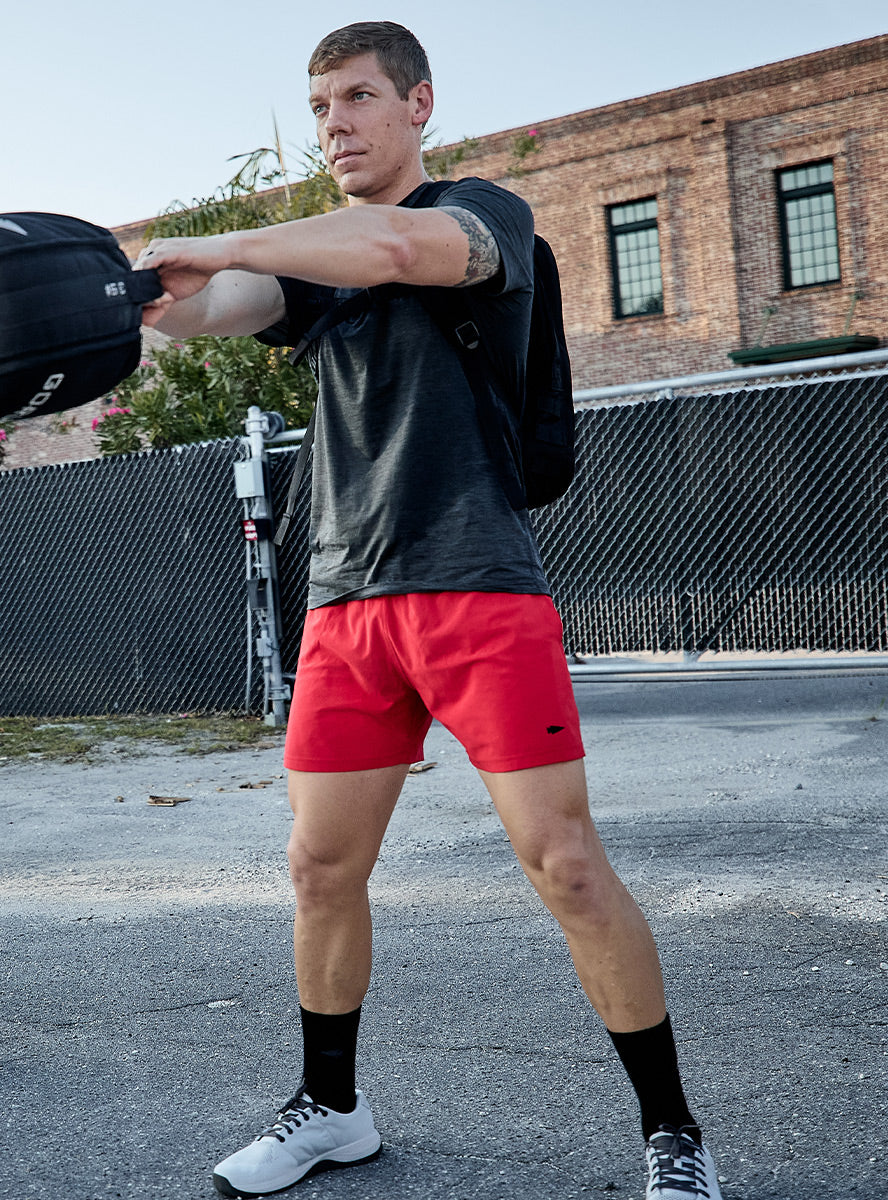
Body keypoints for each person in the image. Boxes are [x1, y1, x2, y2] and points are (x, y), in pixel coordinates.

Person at [135, 20, 723, 1200]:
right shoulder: (310, 274)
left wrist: (222, 232)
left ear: (418, 106)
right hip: (347, 602)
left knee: (563, 862)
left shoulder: (481, 215)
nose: (335, 125)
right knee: (318, 868)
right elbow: (211, 305)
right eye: (318, 108)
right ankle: (332, 1109)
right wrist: (121, 286)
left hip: (477, 584)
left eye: (357, 98)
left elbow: (401, 249)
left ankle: (674, 1135)